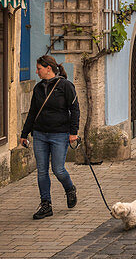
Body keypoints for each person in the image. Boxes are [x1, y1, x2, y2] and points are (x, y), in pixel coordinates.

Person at [20, 55, 79, 220]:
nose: (36, 71)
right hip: (39, 134)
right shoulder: (38, 88)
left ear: (48, 68)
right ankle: (46, 204)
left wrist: (73, 133)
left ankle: (69, 189)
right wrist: (24, 134)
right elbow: (32, 112)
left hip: (59, 134)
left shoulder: (65, 86)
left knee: (58, 169)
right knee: (42, 171)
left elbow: (75, 110)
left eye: (39, 68)